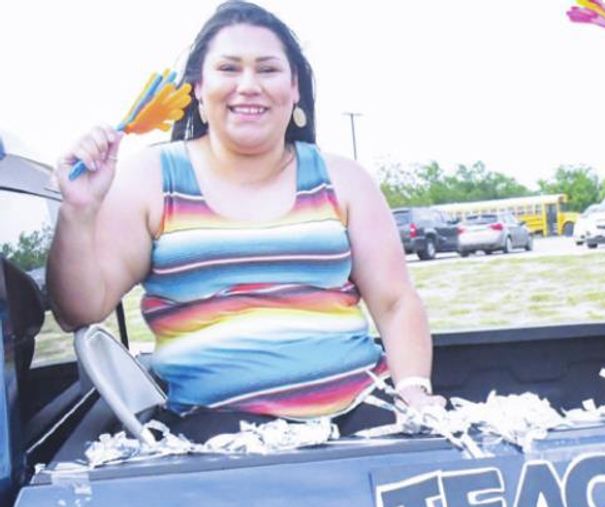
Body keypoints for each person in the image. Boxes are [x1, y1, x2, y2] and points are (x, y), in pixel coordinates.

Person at [47, 1, 439, 440]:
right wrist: (78, 210)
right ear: (198, 86)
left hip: (356, 416)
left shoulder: (346, 179)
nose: (248, 86)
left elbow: (396, 302)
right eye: (229, 69)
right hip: (216, 438)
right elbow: (79, 309)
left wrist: (412, 391)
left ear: (294, 89)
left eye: (268, 70)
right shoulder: (150, 179)